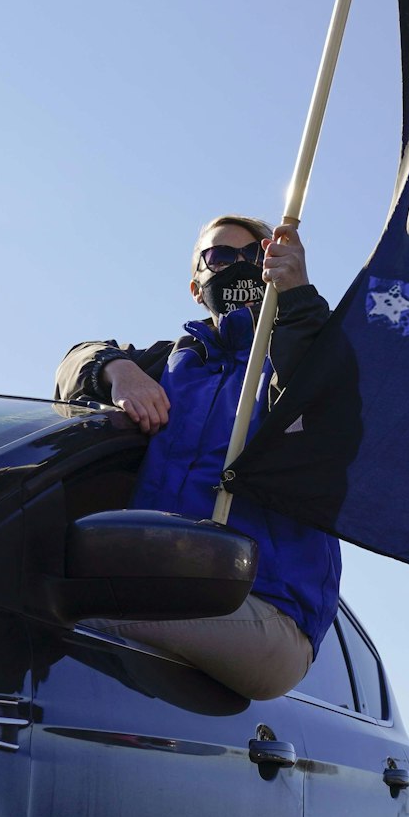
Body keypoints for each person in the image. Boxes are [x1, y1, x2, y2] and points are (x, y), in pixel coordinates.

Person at [55, 215, 341, 700]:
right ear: (195, 286)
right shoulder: (171, 364)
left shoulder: (297, 357)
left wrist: (297, 299)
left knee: (63, 621)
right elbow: (74, 364)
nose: (238, 266)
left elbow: (316, 404)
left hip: (263, 607)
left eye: (254, 255)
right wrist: (117, 369)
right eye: (220, 256)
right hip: (153, 586)